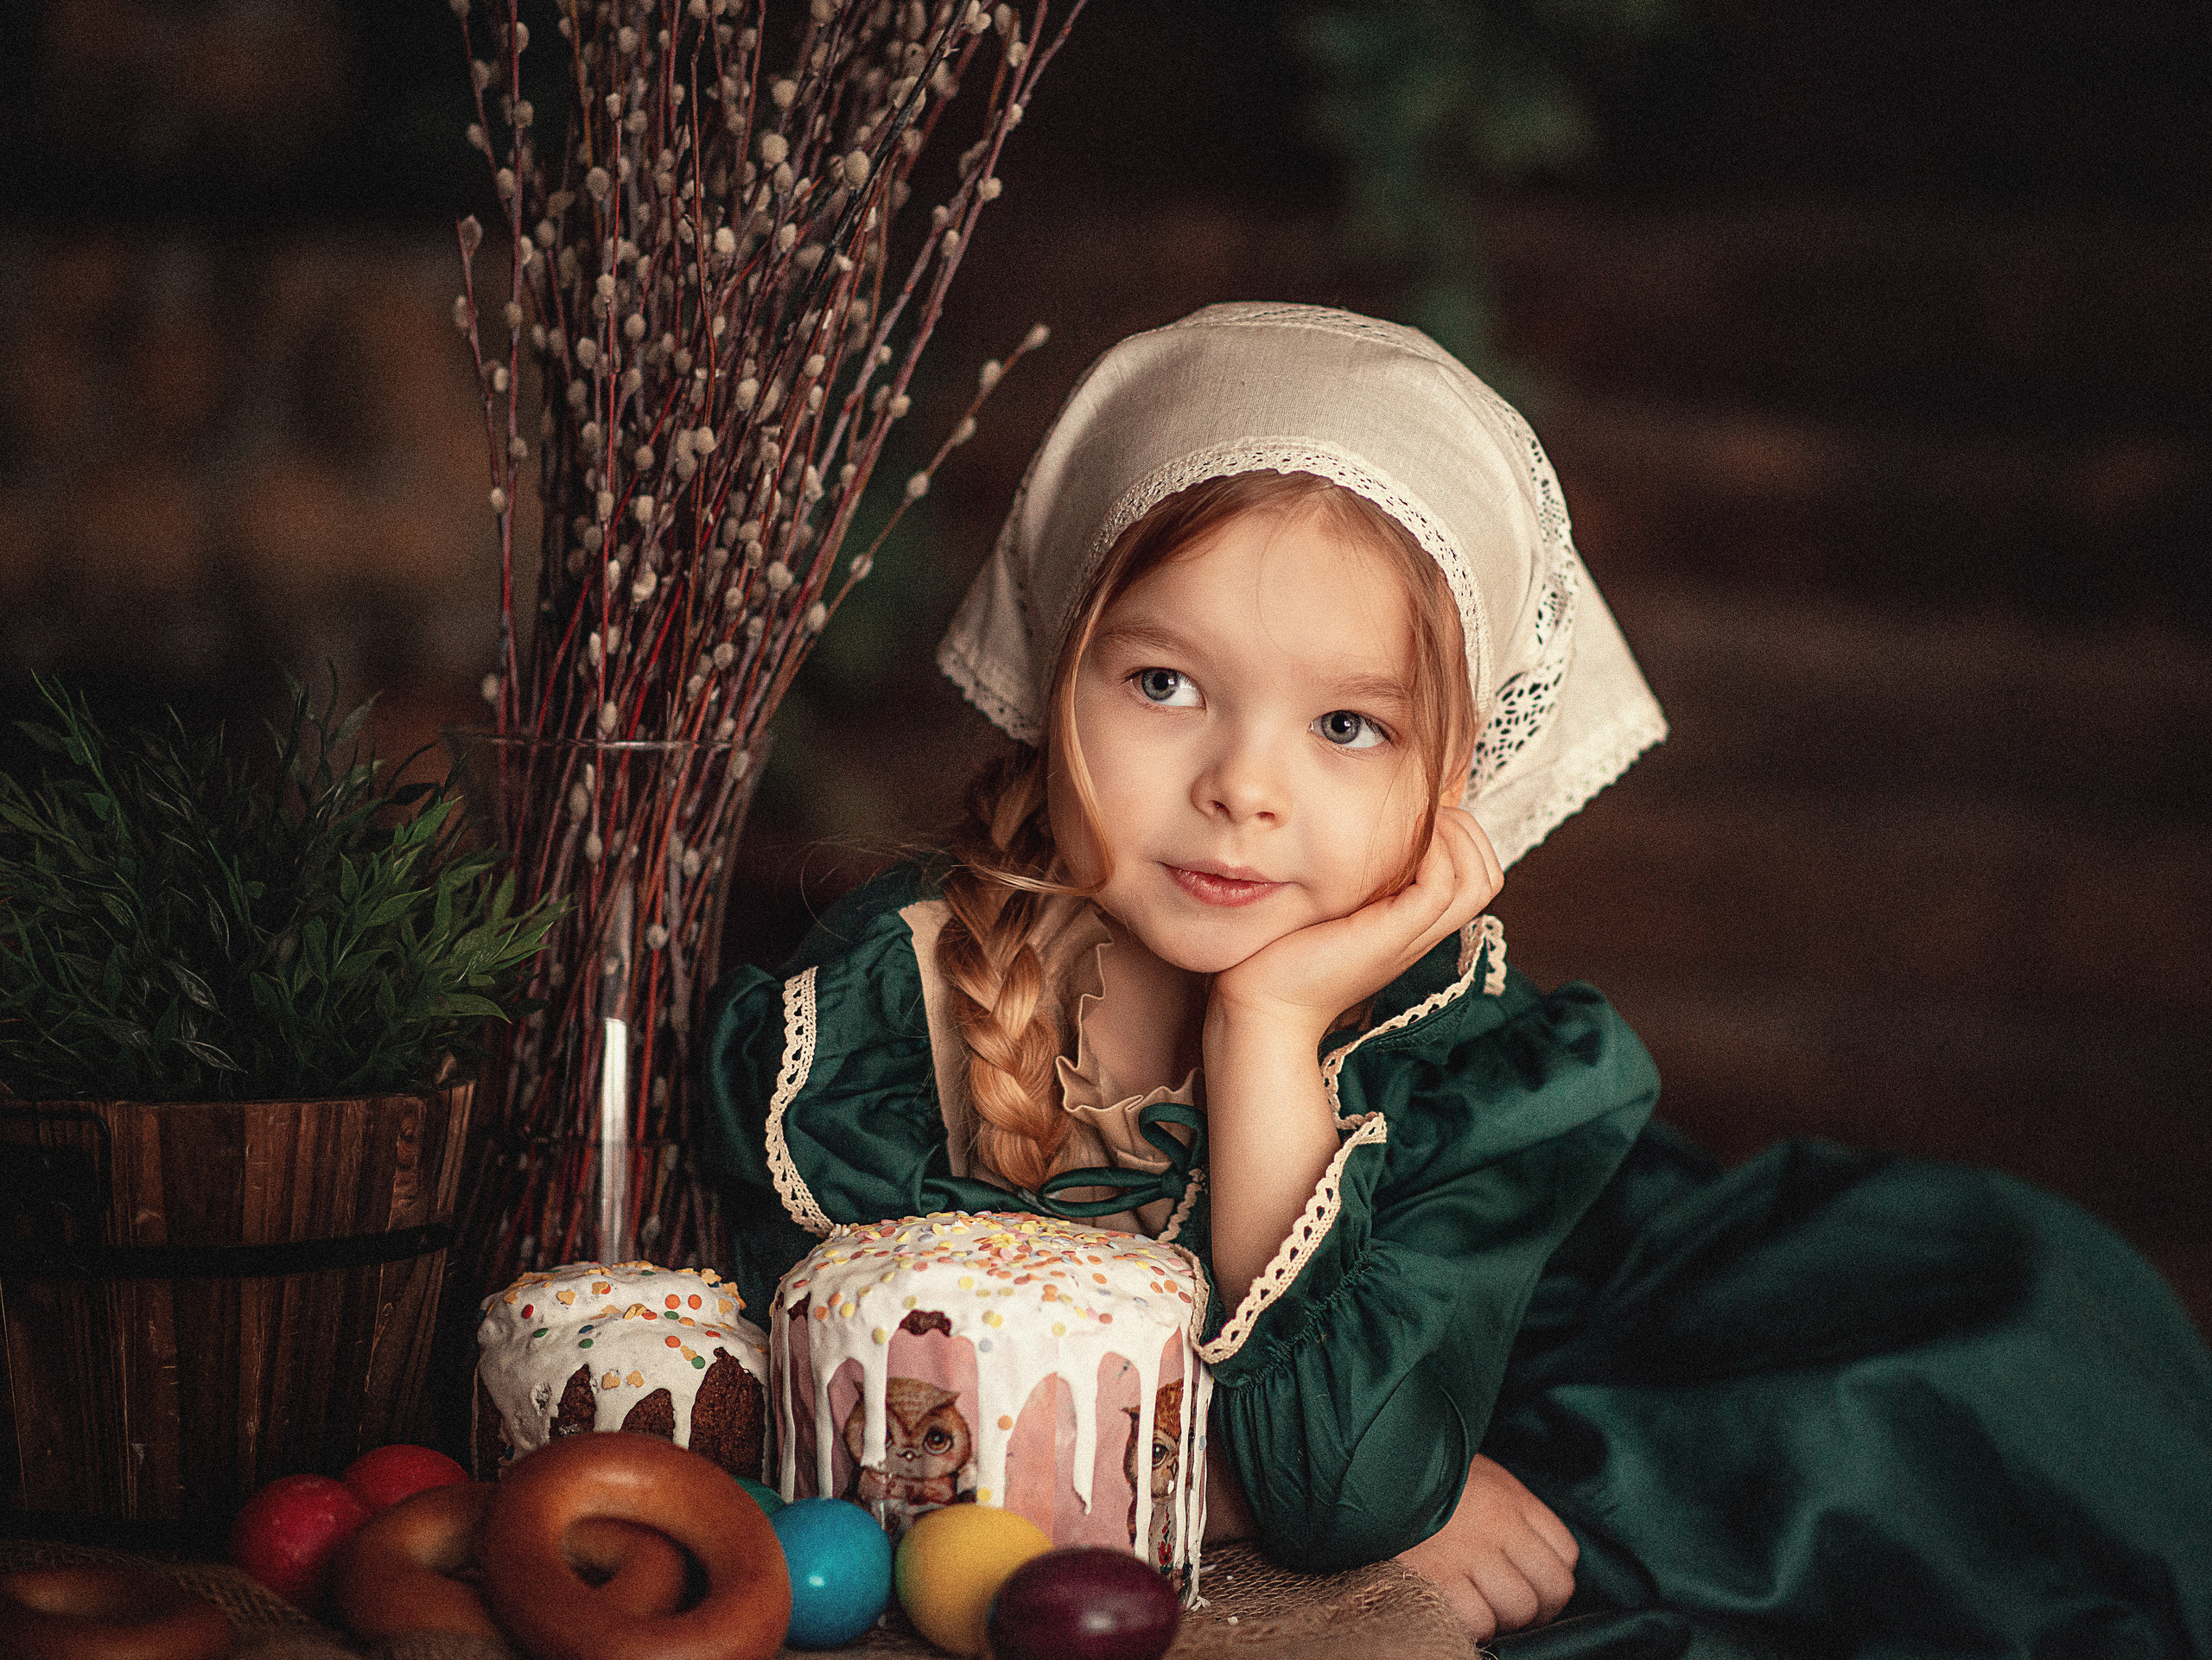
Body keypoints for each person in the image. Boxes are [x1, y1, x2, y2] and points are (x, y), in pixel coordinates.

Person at [704, 304, 2212, 1656]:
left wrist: (1274, 1023)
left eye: (1349, 724)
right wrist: (1267, 1489)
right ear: (1061, 680)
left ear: (1460, 774)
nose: (1244, 787)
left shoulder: (1477, 1062)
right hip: (1379, 1420)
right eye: (1167, 684)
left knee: (1925, 1430)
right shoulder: (889, 1002)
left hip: (1585, 1312)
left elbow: (1341, 1473)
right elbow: (866, 1432)